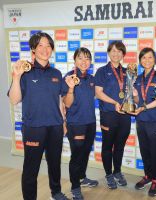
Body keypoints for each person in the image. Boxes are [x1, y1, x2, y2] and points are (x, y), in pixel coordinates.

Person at [8, 32, 68, 200]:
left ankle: (56, 193)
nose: (45, 49)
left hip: (55, 127)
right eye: (40, 45)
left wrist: (63, 122)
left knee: (55, 163)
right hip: (34, 128)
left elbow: (61, 100)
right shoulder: (24, 71)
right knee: (31, 168)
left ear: (52, 49)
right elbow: (14, 99)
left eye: (48, 45)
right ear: (33, 50)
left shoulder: (56, 73)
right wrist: (16, 76)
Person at [62, 47, 98, 200]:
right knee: (76, 156)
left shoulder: (91, 79)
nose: (84, 61)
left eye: (87, 58)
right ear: (75, 60)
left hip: (90, 122)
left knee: (85, 153)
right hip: (76, 124)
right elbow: (67, 103)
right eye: (80, 58)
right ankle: (75, 186)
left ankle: (82, 178)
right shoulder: (69, 77)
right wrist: (70, 89)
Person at [94, 41, 131, 189]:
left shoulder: (128, 71)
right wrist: (115, 102)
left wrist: (133, 96)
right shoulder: (102, 71)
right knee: (108, 146)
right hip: (108, 114)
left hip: (125, 114)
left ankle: (117, 171)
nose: (116, 54)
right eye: (113, 51)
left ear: (123, 54)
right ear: (109, 53)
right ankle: (108, 174)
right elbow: (98, 93)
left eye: (119, 51)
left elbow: (129, 93)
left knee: (120, 146)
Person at [131, 48, 156, 197]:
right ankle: (148, 175)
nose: (147, 60)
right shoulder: (137, 78)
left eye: (150, 57)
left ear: (154, 59)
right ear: (140, 60)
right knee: (145, 151)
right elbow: (138, 101)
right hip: (141, 120)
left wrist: (143, 107)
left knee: (155, 152)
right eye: (143, 58)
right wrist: (135, 95)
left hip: (155, 120)